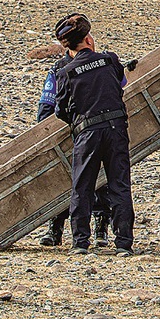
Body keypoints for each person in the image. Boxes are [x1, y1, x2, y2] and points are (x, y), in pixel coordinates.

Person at [53, 13, 136, 256]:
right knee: (119, 185)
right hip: (116, 130)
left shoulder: (65, 72)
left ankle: (80, 242)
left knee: (82, 186)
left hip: (87, 132)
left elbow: (60, 109)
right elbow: (121, 83)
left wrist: (78, 122)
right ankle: (123, 243)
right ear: (88, 39)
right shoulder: (109, 60)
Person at [36, 48, 112, 248]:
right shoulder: (59, 69)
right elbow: (47, 105)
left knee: (99, 179)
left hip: (92, 128)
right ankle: (56, 227)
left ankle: (101, 226)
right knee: (61, 179)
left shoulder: (100, 62)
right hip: (68, 130)